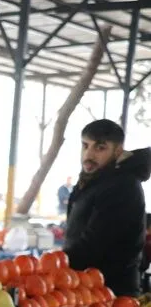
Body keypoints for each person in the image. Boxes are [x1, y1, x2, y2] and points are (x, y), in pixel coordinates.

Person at [64, 119, 151, 296]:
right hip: (86, 287)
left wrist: (55, 265)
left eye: (100, 148)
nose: (89, 155)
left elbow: (95, 244)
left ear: (117, 151)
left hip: (112, 294)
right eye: (85, 146)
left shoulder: (123, 186)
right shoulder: (92, 181)